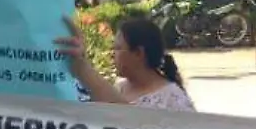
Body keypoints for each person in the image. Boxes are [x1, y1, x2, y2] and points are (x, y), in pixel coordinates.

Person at [57, 17, 197, 111]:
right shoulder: (119, 86)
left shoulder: (173, 100)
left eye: (118, 48)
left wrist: (83, 68)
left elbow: (128, 120)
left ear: (138, 53)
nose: (111, 54)